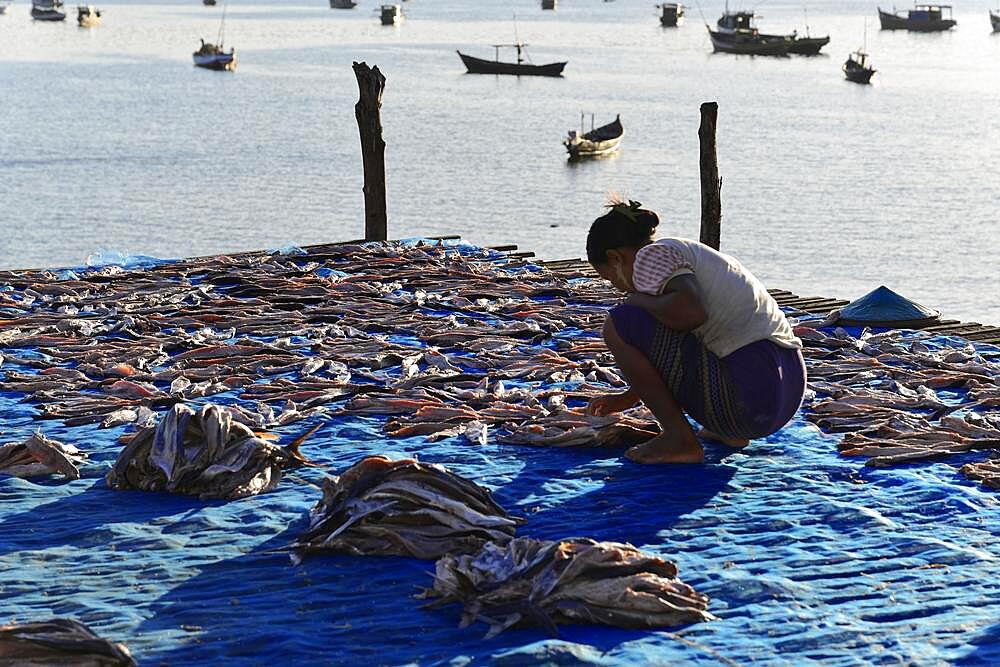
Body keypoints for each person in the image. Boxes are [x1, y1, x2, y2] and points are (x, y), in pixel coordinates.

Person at [585, 199, 806, 464]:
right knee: (653, 315)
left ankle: (679, 440)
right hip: (784, 396)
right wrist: (629, 398)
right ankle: (727, 432)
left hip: (751, 399)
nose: (618, 288)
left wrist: (636, 301)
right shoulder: (684, 252)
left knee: (619, 324)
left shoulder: (649, 257)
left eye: (610, 278)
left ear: (615, 258)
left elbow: (692, 313)